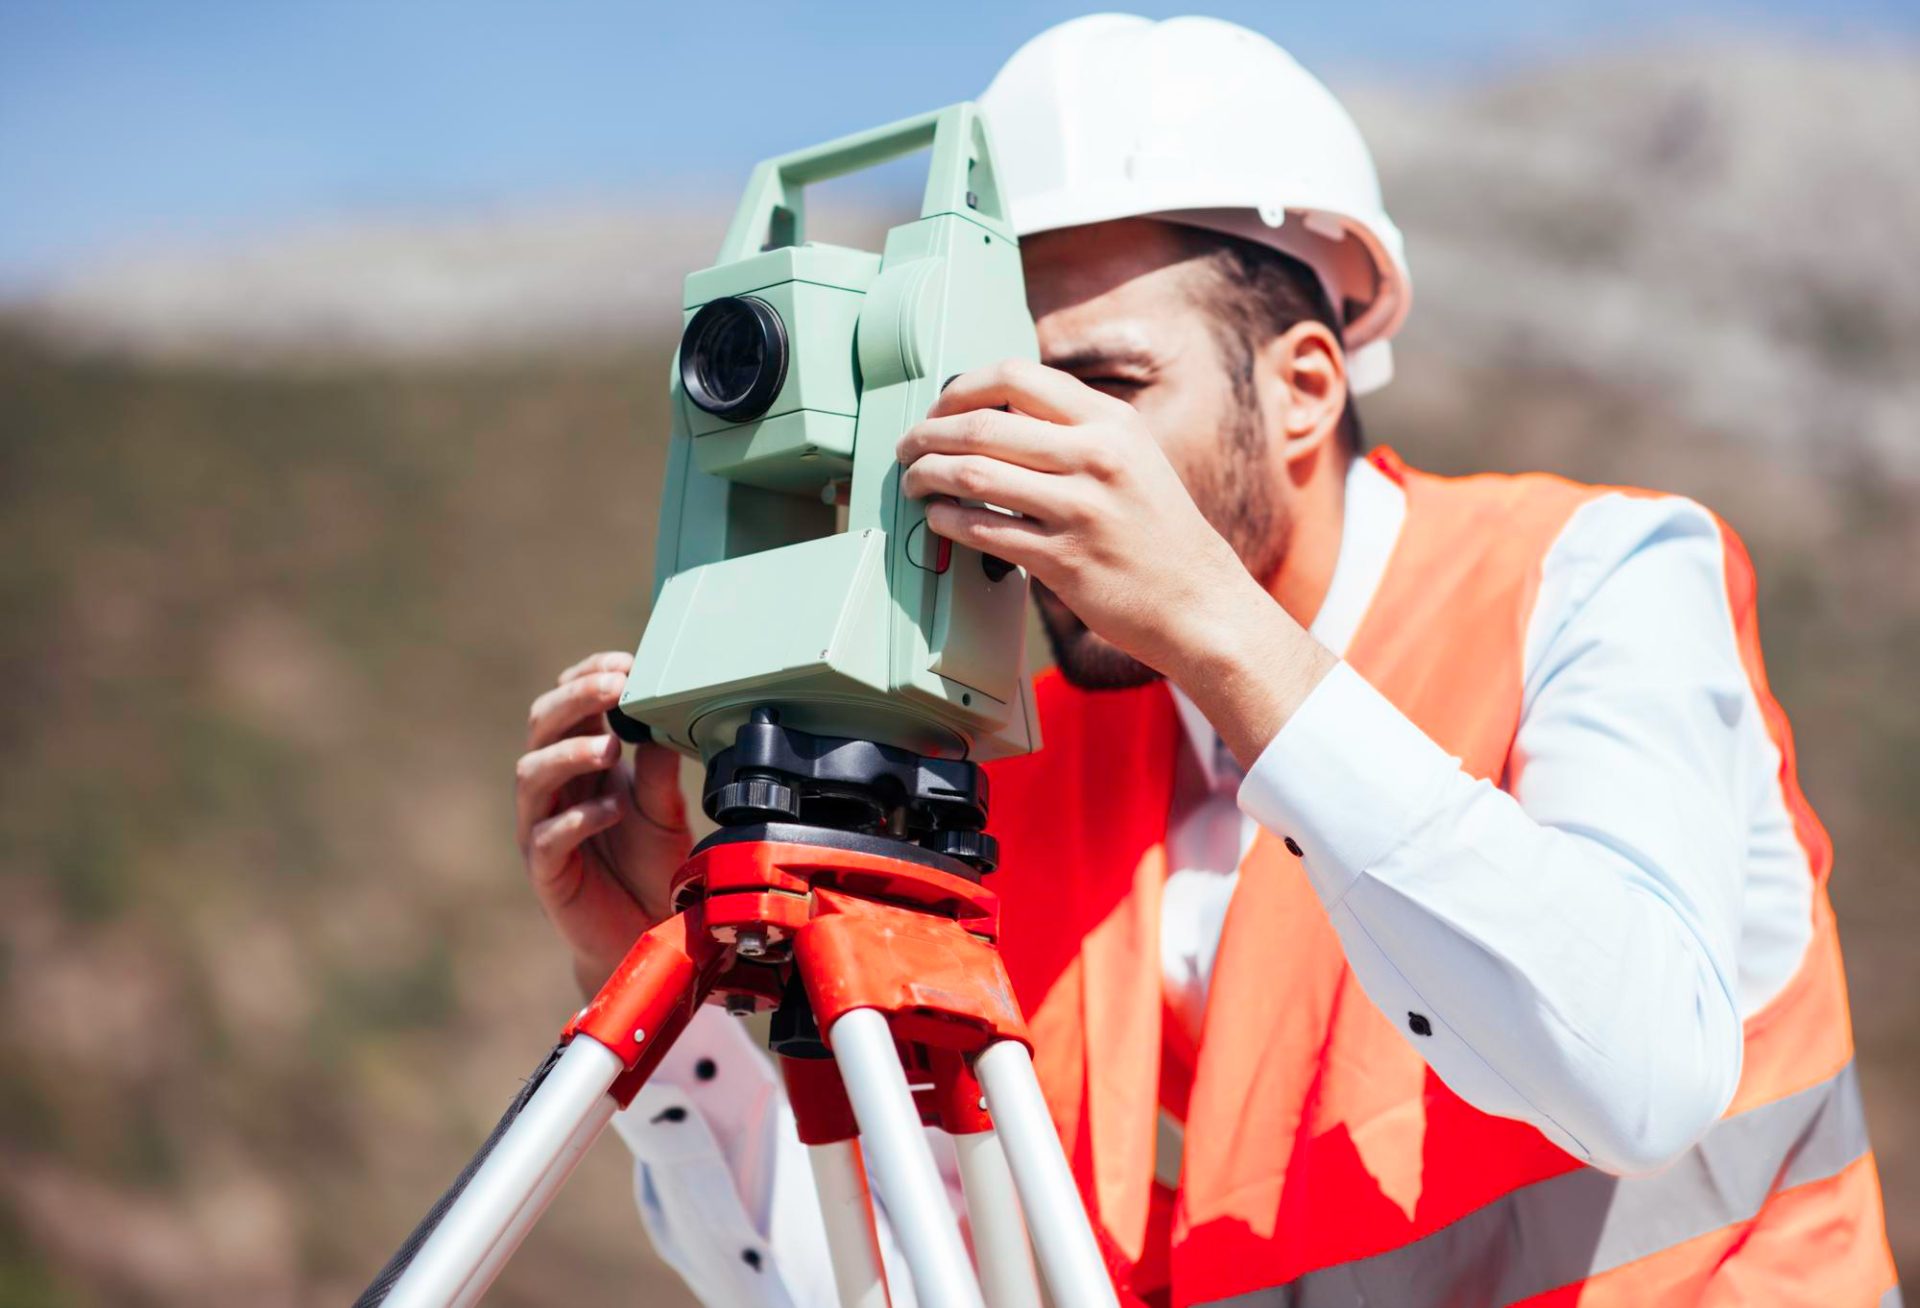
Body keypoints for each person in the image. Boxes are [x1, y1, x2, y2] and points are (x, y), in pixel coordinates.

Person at [512, 15, 1898, 1306]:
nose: (1030, 446)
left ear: (1305, 387)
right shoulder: (1036, 758)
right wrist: (665, 990)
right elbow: (896, 1278)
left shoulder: (1598, 580)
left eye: (1103, 389)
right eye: (995, 391)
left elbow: (1640, 1074)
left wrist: (1226, 637)